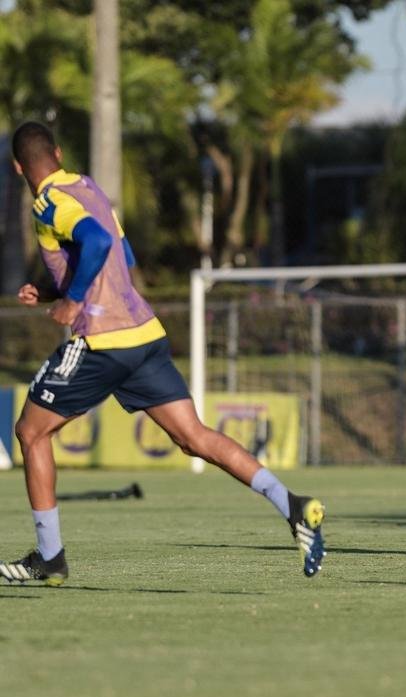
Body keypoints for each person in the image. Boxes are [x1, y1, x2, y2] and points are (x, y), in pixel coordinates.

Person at [0, 121, 326, 586]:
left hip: (102, 341)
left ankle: (49, 558)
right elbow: (122, 257)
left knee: (30, 433)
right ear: (57, 151)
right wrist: (53, 290)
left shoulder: (48, 202)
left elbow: (96, 243)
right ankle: (292, 506)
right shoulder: (88, 187)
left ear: (17, 167)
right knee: (194, 437)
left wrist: (72, 299)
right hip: (145, 333)